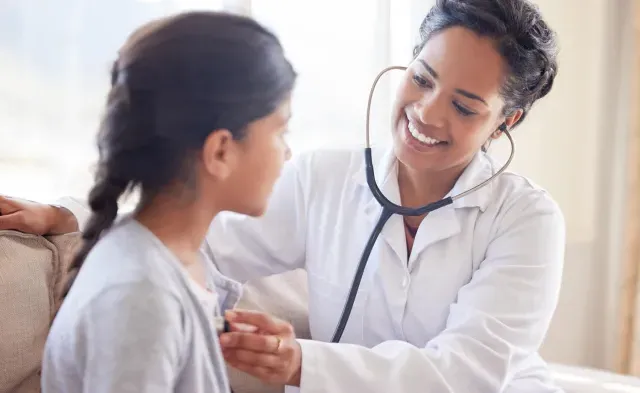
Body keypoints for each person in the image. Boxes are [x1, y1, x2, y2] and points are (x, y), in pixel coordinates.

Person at [0, 0, 565, 392]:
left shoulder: (527, 219)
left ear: (505, 120)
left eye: (465, 107)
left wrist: (301, 361)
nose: (427, 112)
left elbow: (465, 376)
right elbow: (194, 227)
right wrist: (76, 212)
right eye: (421, 78)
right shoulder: (327, 178)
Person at [30, 11, 298, 393]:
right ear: (221, 151)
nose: (287, 154)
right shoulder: (140, 298)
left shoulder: (175, 261)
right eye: (281, 131)